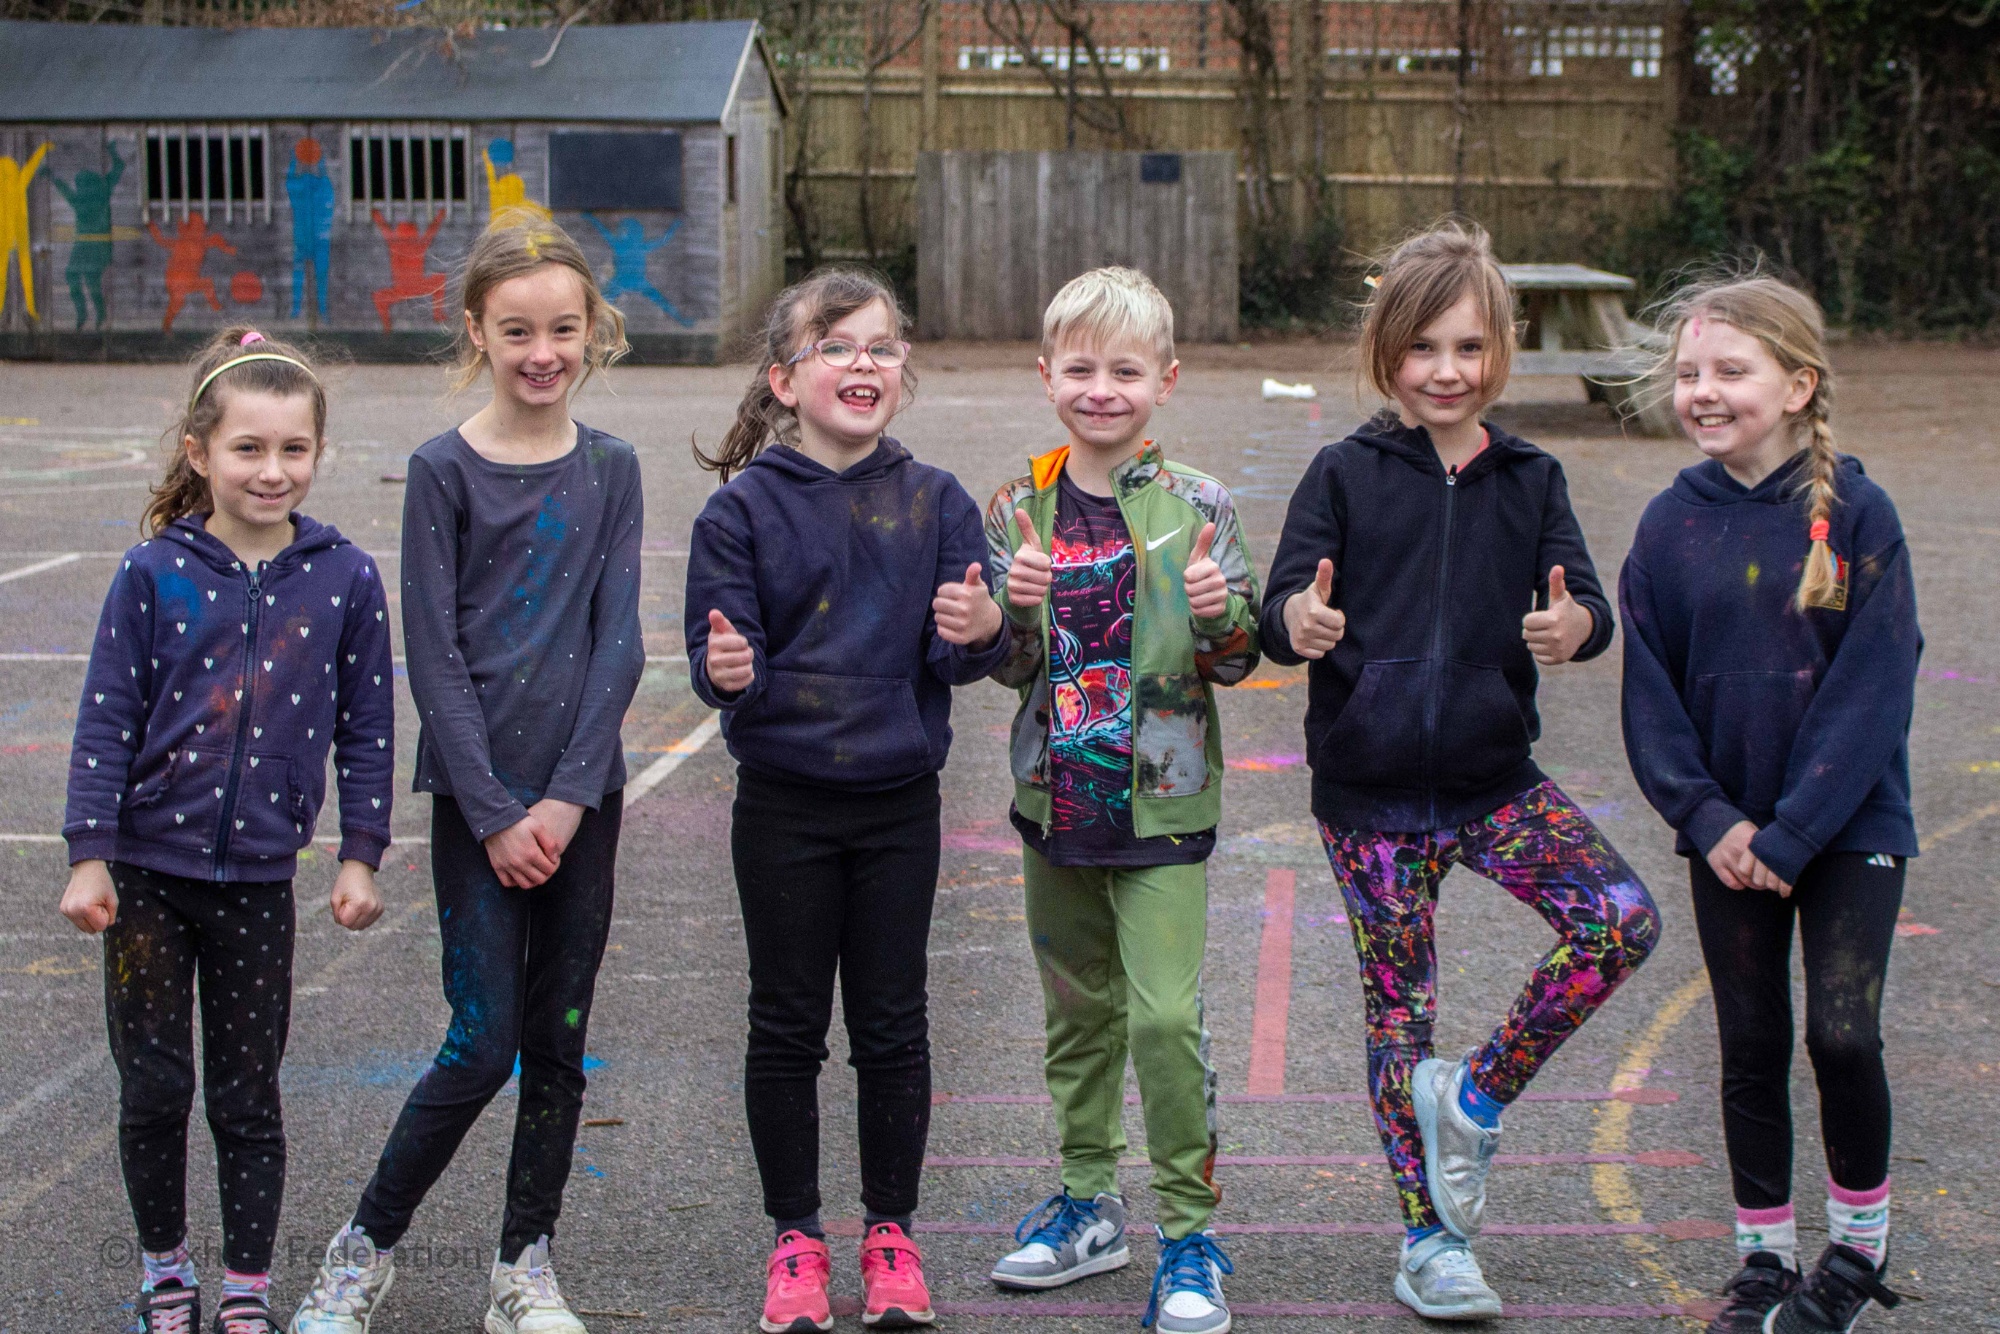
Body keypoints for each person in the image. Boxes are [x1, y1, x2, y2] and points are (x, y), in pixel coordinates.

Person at [1257, 222, 1660, 1320]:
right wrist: (1298, 615)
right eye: (1423, 347)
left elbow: (1587, 608)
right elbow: (1275, 609)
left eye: (1468, 347)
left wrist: (1572, 624)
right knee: (1398, 1017)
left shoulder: (1530, 477)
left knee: (1618, 920)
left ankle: (1472, 1097)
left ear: (1502, 351)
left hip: (1492, 781)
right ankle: (1429, 1242)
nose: (1446, 370)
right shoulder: (1342, 471)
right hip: (1370, 799)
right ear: (1386, 351)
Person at [289, 220, 643, 1334]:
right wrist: (496, 812)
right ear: (477, 333)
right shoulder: (444, 468)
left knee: (558, 1036)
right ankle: (363, 1249)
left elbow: (619, 640)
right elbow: (431, 654)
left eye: (562, 329)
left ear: (593, 332)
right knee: (479, 1040)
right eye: (517, 331)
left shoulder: (611, 467)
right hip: (477, 803)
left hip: (580, 798)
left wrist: (564, 798)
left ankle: (522, 1265)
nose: (542, 351)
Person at [685, 266, 1008, 1334]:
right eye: (837, 346)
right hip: (781, 805)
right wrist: (726, 671)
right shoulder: (740, 510)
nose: (862, 363)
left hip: (895, 805)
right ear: (785, 378)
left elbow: (963, 653)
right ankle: (795, 1237)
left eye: (879, 346)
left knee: (891, 1023)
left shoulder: (937, 501)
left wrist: (979, 632)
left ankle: (889, 1233)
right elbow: (720, 650)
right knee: (784, 1023)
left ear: (900, 370)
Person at [60, 327, 395, 1334]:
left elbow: (367, 724)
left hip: (256, 877)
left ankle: (246, 1283)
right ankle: (168, 1270)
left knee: (246, 1095)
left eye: (293, 448)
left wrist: (359, 851)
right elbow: (104, 715)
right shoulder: (153, 572)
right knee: (155, 1086)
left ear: (316, 454)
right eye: (248, 447)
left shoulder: (343, 576)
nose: (272, 468)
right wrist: (88, 854)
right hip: (148, 878)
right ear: (199, 452)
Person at [1620, 275, 1916, 1334]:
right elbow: (1648, 698)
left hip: (1845, 831)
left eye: (1729, 372)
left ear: (1795, 385)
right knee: (1748, 1037)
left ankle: (1853, 1250)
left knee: (1839, 1034)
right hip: (1727, 838)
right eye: (1688, 373)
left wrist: (1792, 831)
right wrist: (1712, 822)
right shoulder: (1664, 526)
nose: (1702, 391)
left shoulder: (1855, 514)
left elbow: (1871, 689)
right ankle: (1760, 1258)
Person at [982, 267, 1261, 1334]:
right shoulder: (1018, 503)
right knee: (1078, 1013)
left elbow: (1233, 659)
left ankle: (1188, 1235)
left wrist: (1220, 607)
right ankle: (1087, 1200)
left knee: (1161, 1016)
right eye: (1081, 367)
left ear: (1166, 380)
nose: (1102, 389)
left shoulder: (1197, 503)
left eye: (1126, 370)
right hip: (1055, 801)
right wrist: (1005, 613)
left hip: (1163, 799)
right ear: (1046, 374)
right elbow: (1010, 668)